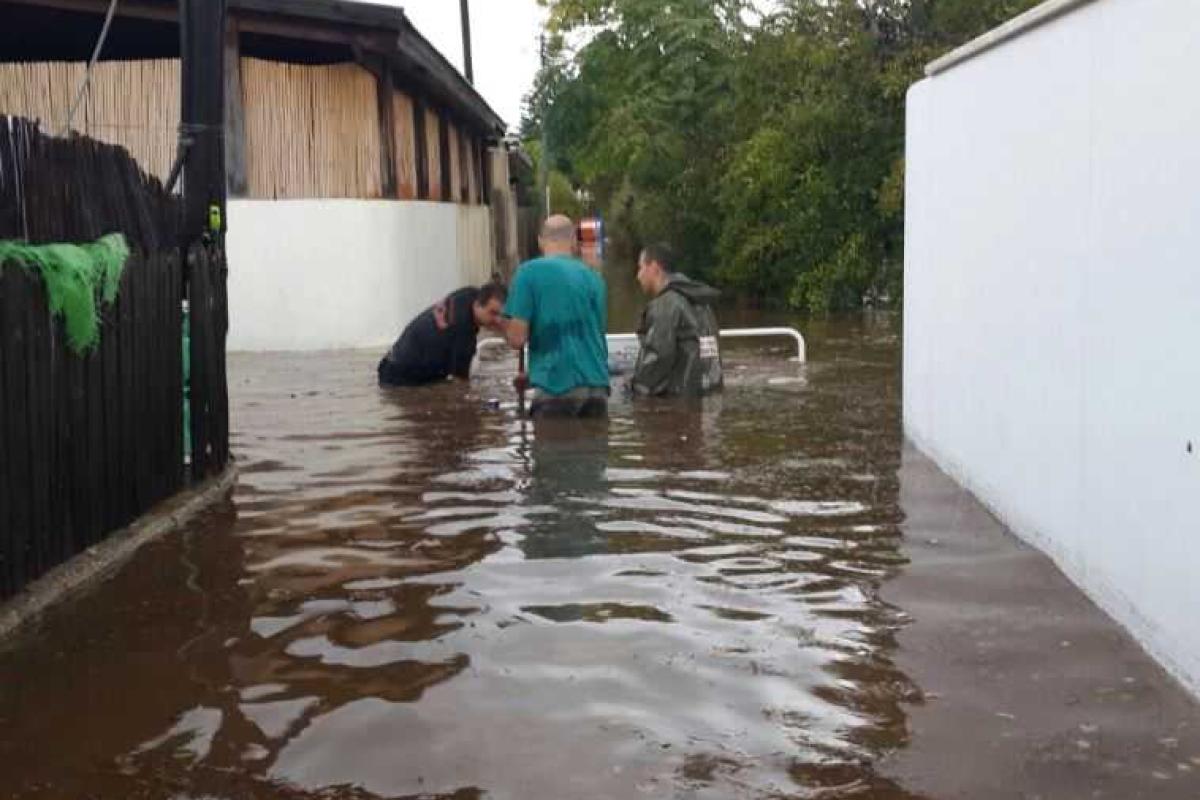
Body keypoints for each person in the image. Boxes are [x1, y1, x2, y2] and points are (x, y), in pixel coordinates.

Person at [502, 215, 610, 418]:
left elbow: (517, 339)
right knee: (594, 450)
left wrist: (500, 324)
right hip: (597, 387)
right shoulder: (595, 277)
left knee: (552, 448)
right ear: (573, 242)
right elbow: (594, 338)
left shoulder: (528, 273)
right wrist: (533, 376)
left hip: (556, 387)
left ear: (540, 241)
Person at [630, 243, 724, 398]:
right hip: (710, 392)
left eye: (640, 268)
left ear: (654, 268)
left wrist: (635, 389)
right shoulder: (702, 302)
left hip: (680, 399)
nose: (638, 275)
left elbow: (657, 357)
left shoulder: (666, 304)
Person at [377, 282, 507, 386]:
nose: (498, 320)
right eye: (493, 313)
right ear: (478, 305)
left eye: (501, 314)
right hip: (401, 378)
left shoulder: (470, 294)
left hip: (392, 362)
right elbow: (460, 384)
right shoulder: (463, 335)